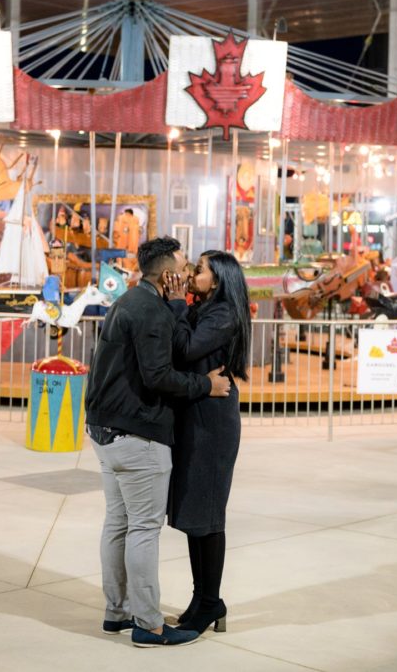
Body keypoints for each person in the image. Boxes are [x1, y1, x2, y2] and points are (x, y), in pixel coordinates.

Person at [85, 236, 231, 648]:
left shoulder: (129, 302)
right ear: (167, 273)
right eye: (184, 266)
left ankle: (118, 612)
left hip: (105, 430)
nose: (187, 274)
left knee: (119, 522)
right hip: (137, 434)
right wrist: (205, 384)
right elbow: (158, 376)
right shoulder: (150, 310)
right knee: (143, 529)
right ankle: (147, 624)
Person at [163, 251, 251, 635]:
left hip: (212, 425)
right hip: (196, 416)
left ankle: (212, 601)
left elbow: (185, 350)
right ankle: (202, 598)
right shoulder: (205, 310)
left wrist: (179, 304)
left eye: (198, 270)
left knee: (209, 514)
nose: (191, 273)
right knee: (195, 514)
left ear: (216, 280)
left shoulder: (223, 314)